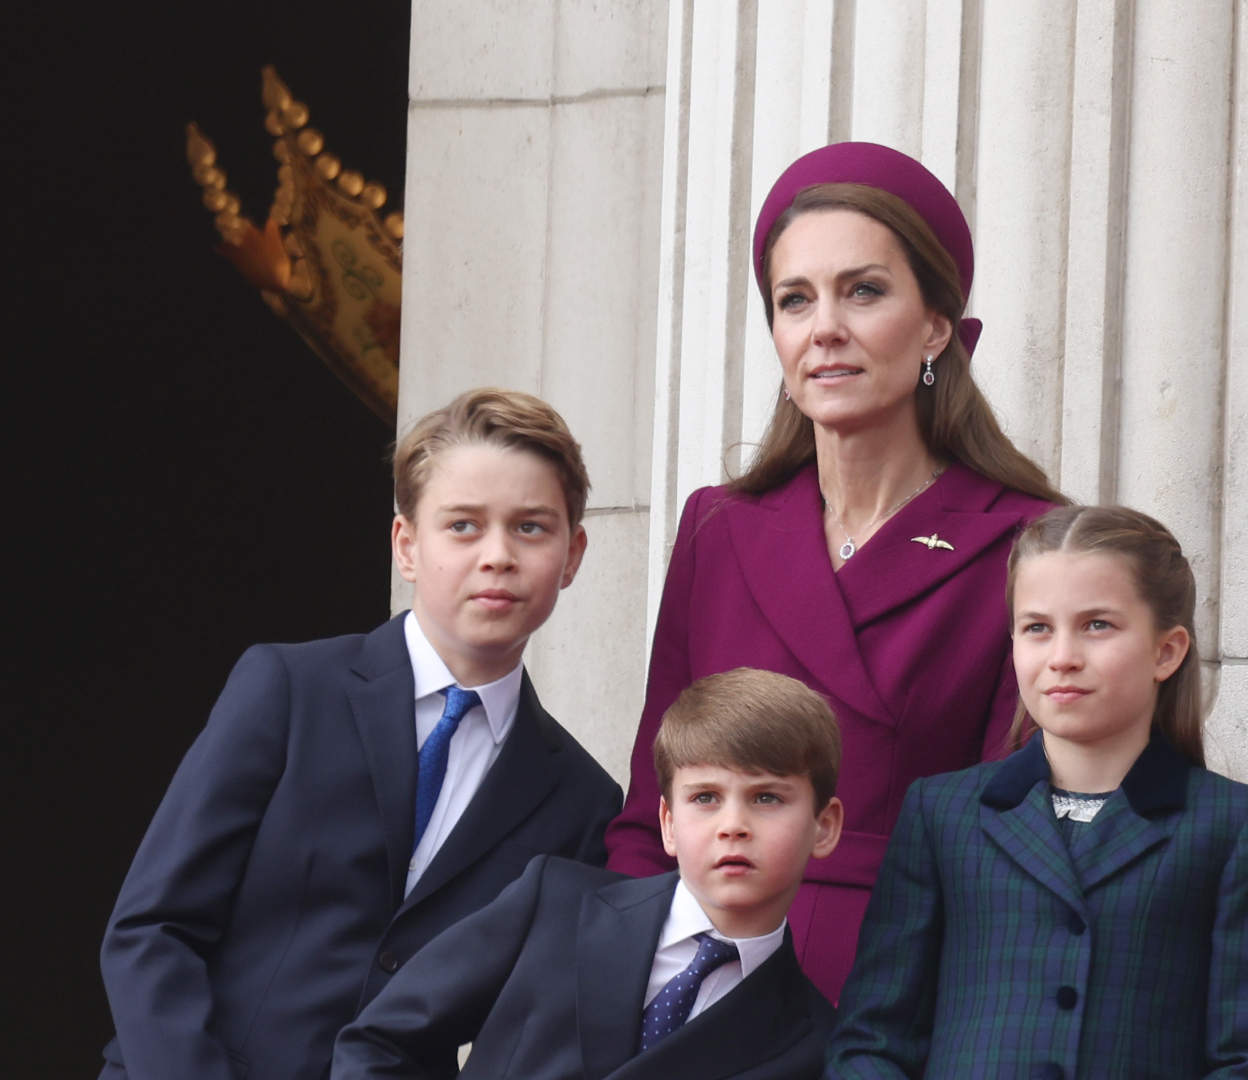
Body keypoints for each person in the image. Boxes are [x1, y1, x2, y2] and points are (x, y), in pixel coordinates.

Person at [602, 141, 1064, 1000]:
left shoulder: (1029, 544)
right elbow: (649, 806)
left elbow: (1017, 839)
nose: (824, 330)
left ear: (935, 325)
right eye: (794, 300)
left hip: (900, 981)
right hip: (701, 975)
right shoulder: (720, 525)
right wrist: (629, 967)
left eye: (864, 291)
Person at [98, 388, 623, 1080]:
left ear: (572, 554)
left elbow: (528, 1032)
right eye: (463, 526)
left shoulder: (579, 801)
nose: (497, 555)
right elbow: (151, 930)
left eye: (531, 528)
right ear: (407, 545)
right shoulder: (288, 690)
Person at [828, 505, 1248, 1077]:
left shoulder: (1229, 826)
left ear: (1166, 651)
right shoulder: (942, 814)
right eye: (1037, 628)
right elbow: (871, 1038)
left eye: (1097, 625)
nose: (1062, 658)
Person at [331, 667, 841, 1080]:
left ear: (824, 827)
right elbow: (380, 1041)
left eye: (767, 798)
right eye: (705, 798)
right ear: (667, 823)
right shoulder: (554, 901)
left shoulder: (814, 1044)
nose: (733, 826)